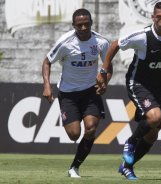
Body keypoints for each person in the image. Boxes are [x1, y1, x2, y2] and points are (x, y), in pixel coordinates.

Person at [97, 1, 161, 180]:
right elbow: (115, 45)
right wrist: (103, 71)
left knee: (153, 134)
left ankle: (127, 166)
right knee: (155, 117)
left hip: (159, 89)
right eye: (159, 17)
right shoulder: (142, 36)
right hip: (138, 83)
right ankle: (131, 142)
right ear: (153, 17)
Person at [42, 8, 112, 178]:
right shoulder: (65, 42)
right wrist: (47, 85)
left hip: (90, 92)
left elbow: (107, 66)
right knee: (74, 134)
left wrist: (104, 82)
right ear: (73, 25)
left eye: (86, 24)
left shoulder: (101, 42)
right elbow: (47, 61)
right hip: (68, 94)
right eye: (79, 25)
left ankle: (74, 167)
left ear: (91, 24)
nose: (83, 28)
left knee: (90, 129)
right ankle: (73, 119)